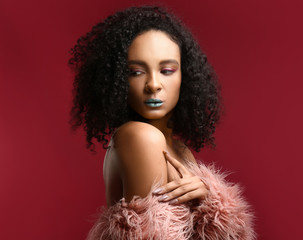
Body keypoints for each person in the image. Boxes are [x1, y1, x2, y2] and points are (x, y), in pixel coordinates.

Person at [69, 5, 255, 240]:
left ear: (184, 77)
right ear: (117, 80)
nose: (153, 84)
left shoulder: (180, 150)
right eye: (136, 72)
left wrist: (210, 202)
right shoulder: (140, 137)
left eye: (167, 70)